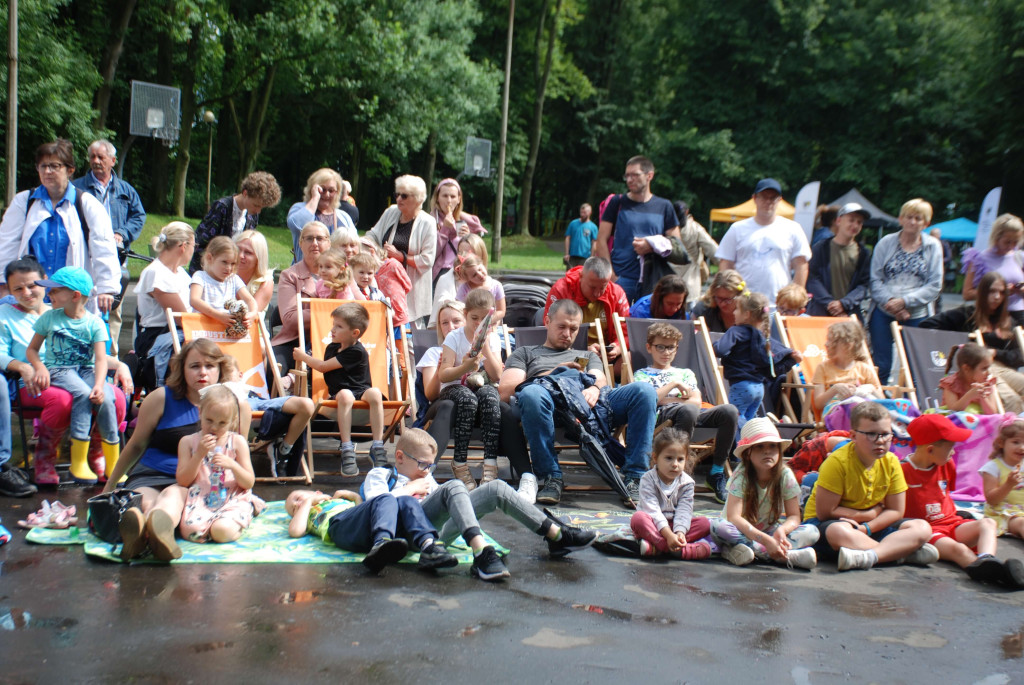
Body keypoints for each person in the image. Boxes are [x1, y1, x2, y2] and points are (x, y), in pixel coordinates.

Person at [498, 299, 658, 505]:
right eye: (561, 327)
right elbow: (506, 390)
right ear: (547, 322)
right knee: (532, 393)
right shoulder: (526, 353)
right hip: (546, 403)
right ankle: (550, 477)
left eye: (573, 329)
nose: (567, 334)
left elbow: (599, 379)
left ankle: (635, 477)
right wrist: (553, 373)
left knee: (644, 391)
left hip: (590, 406)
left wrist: (593, 388)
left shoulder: (586, 355)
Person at [0, 258, 131, 488]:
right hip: (32, 382)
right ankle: (45, 460)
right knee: (63, 399)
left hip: (76, 374)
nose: (27, 293)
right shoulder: (5, 315)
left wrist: (119, 364)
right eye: (17, 288)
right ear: (8, 290)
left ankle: (97, 455)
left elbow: (90, 354)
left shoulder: (64, 310)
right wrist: (23, 366)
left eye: (32, 285)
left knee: (116, 397)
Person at [106, 339, 239, 561]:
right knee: (147, 499)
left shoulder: (232, 404)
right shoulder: (160, 398)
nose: (202, 372)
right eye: (194, 366)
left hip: (192, 480)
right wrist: (110, 484)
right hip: (150, 472)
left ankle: (144, 536)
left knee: (172, 496)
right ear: (182, 369)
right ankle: (151, 535)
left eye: (210, 366)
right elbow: (135, 445)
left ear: (220, 369)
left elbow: (235, 451)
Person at [286, 432, 457, 574]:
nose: (296, 505)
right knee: (386, 498)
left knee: (403, 501)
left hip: (363, 529)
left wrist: (352, 497)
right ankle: (381, 543)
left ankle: (429, 546)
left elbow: (367, 510)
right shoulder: (312, 510)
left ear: (317, 492)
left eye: (298, 498)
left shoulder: (333, 501)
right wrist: (307, 503)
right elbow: (295, 531)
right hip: (338, 527)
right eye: (293, 509)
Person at [802, 402, 938, 571]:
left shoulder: (892, 462)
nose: (880, 441)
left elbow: (896, 511)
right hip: (830, 524)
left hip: (869, 527)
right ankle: (899, 554)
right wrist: (867, 514)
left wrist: (867, 528)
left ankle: (871, 556)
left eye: (885, 434)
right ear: (853, 436)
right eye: (871, 434)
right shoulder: (837, 462)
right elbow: (826, 512)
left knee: (922, 528)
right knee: (839, 531)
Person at [360, 428, 508, 580]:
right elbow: (375, 505)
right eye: (423, 464)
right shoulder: (381, 474)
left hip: (432, 531)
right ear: (400, 457)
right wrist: (409, 489)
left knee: (489, 488)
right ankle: (479, 551)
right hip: (402, 531)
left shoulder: (427, 478)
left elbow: (446, 502)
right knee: (448, 487)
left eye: (430, 466)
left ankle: (483, 547)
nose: (426, 471)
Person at [0, 139, 120, 316]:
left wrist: (107, 289)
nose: (47, 171)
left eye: (54, 166)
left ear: (70, 170)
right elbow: (7, 244)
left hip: (70, 297)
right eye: (43, 166)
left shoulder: (86, 204)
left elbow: (104, 248)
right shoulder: (24, 201)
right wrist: (4, 284)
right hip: (31, 297)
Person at [903, 414, 1024, 587]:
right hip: (928, 530)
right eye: (950, 447)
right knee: (958, 550)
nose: (953, 451)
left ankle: (987, 559)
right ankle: (997, 577)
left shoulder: (947, 463)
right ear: (930, 450)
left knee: (988, 523)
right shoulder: (902, 471)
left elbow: (944, 494)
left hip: (952, 522)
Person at [26, 267, 119, 484]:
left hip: (86, 369)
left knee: (106, 396)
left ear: (75, 295)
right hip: (59, 369)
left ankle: (113, 462)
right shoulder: (50, 318)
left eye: (55, 291)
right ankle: (78, 463)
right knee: (82, 393)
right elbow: (32, 350)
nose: (50, 296)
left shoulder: (94, 322)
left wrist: (99, 384)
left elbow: (100, 359)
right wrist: (39, 366)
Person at [632, 323, 739, 504]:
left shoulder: (686, 373)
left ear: (676, 349)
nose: (666, 352)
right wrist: (673, 385)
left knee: (729, 411)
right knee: (687, 409)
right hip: (662, 416)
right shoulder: (642, 374)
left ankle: (716, 472)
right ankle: (680, 474)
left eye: (670, 347)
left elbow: (696, 401)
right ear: (649, 348)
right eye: (660, 347)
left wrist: (667, 397)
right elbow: (650, 400)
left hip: (691, 413)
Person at [710, 418, 819, 568]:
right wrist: (766, 542)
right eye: (760, 447)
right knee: (719, 527)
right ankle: (786, 556)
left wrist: (782, 530)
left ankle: (743, 552)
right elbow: (734, 517)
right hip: (743, 531)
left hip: (769, 532)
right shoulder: (741, 475)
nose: (767, 451)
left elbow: (794, 516)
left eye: (773, 446)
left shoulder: (785, 474)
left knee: (812, 531)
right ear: (748, 453)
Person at [293, 302, 386, 474]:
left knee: (375, 392)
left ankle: (378, 446)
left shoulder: (357, 351)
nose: (332, 329)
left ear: (355, 333)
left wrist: (303, 356)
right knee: (345, 394)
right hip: (341, 396)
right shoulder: (332, 348)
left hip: (361, 394)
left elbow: (322, 367)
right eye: (333, 325)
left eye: (339, 326)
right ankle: (347, 447)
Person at [73, 139, 146, 356]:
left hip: (115, 261)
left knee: (112, 312)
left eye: (101, 157)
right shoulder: (77, 188)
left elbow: (138, 216)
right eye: (92, 157)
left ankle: (110, 358)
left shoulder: (126, 190)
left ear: (113, 161)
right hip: (84, 260)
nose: (95, 161)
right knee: (79, 307)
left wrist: (121, 233)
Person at [921, 271, 1024, 413]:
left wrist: (995, 352)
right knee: (1013, 400)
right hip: (981, 368)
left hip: (1004, 368)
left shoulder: (1008, 321)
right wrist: (963, 343)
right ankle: (1010, 433)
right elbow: (927, 325)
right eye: (992, 292)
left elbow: (1019, 356)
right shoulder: (967, 315)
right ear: (982, 293)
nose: (996, 297)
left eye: (1001, 293)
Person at [177, 385, 264, 543]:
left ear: (232, 422)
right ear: (200, 412)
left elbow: (249, 482)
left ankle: (245, 513)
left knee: (221, 531)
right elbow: (183, 481)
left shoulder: (237, 442)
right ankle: (215, 528)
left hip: (233, 497)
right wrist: (199, 455)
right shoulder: (188, 442)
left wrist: (232, 465)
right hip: (201, 499)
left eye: (222, 423)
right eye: (209, 420)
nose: (214, 427)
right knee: (191, 533)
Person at [868, 198, 943, 384]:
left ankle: (915, 405)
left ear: (926, 223)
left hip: (917, 313)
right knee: (881, 364)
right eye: (909, 217)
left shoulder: (933, 246)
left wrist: (905, 302)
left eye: (918, 218)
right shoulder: (886, 242)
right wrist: (893, 303)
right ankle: (878, 401)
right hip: (884, 309)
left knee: (915, 365)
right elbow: (875, 279)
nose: (913, 222)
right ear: (901, 219)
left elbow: (935, 285)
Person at [438, 289, 503, 490]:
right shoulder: (454, 338)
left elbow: (497, 376)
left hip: (481, 384)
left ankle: (490, 464)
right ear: (465, 313)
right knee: (468, 399)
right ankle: (459, 462)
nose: (478, 324)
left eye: (484, 319)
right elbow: (443, 375)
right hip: (454, 387)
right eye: (474, 318)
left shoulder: (492, 338)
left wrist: (484, 348)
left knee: (491, 396)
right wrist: (466, 366)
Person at [596, 155, 681, 302]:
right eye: (627, 175)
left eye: (634, 175)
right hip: (621, 278)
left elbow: (676, 244)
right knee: (615, 324)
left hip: (653, 280)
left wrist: (652, 246)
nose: (629, 180)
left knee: (649, 325)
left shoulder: (664, 206)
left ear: (649, 175)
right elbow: (601, 240)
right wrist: (612, 276)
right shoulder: (618, 202)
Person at [712, 292, 800, 432]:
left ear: (747, 314)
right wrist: (792, 361)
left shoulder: (736, 331)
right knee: (750, 424)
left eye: (737, 309)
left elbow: (720, 350)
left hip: (741, 387)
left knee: (735, 421)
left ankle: (737, 452)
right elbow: (772, 370)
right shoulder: (763, 337)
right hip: (759, 389)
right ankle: (758, 440)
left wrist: (715, 345)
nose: (734, 312)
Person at [716, 178, 811, 303]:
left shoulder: (793, 228)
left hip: (780, 303)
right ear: (754, 198)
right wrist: (726, 297)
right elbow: (726, 264)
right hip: (743, 301)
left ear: (780, 200)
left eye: (773, 198)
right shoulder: (737, 229)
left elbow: (801, 265)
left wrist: (796, 299)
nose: (768, 201)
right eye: (764, 197)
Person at [630, 428, 713, 560]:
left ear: (686, 459)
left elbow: (684, 510)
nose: (675, 464)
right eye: (669, 458)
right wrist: (668, 536)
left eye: (680, 459)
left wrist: (679, 532)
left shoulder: (687, 483)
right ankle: (678, 549)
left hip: (675, 525)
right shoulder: (648, 479)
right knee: (638, 519)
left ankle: (659, 547)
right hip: (654, 525)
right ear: (656, 458)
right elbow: (652, 511)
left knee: (705, 523)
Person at [367, 175, 437, 325]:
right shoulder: (391, 212)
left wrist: (400, 256)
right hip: (384, 285)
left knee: (409, 338)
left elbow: (427, 260)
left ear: (418, 199)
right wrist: (373, 250)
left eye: (404, 196)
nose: (399, 199)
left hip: (411, 292)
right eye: (397, 194)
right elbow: (372, 235)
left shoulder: (428, 222)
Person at [134, 223, 195, 386]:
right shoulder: (156, 273)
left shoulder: (181, 272)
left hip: (180, 333)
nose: (193, 251)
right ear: (183, 246)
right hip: (159, 337)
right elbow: (182, 318)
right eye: (194, 246)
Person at [191, 171, 281, 273]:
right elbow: (201, 243)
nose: (258, 211)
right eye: (256, 205)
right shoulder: (222, 207)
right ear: (245, 193)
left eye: (262, 207)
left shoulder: (252, 215)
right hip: (208, 271)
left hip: (231, 272)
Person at [544, 257, 630, 363]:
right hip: (568, 355)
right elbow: (551, 332)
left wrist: (616, 348)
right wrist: (583, 351)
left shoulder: (617, 293)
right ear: (581, 276)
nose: (597, 294)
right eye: (592, 287)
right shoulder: (561, 290)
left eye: (602, 287)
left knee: (632, 358)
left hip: (606, 358)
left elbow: (626, 332)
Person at [271, 221, 328, 372]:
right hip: (295, 341)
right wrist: (329, 311)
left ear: (329, 243)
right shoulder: (289, 276)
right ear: (301, 244)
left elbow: (358, 305)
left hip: (333, 340)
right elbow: (290, 319)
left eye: (320, 238)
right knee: (274, 370)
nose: (314, 243)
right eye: (309, 238)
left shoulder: (343, 273)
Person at [806, 203, 872, 318]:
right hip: (820, 312)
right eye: (851, 220)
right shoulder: (820, 248)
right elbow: (812, 279)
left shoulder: (863, 253)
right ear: (838, 221)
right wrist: (830, 304)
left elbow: (863, 285)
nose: (855, 225)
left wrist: (844, 304)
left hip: (849, 313)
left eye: (859, 222)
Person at [960, 213, 1024, 324]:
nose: (1011, 246)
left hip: (1019, 314)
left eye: (1015, 242)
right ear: (996, 236)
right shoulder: (978, 259)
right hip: (992, 317)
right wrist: (999, 292)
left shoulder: (1020, 257)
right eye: (1007, 241)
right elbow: (967, 294)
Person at [811, 321, 882, 417]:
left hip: (863, 416)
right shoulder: (823, 368)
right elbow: (818, 404)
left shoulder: (864, 369)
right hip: (834, 415)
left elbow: (881, 400)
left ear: (848, 345)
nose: (826, 344)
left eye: (831, 340)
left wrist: (870, 388)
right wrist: (835, 389)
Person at [189, 236, 259, 332]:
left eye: (233, 264)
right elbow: (194, 300)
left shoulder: (233, 279)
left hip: (226, 331)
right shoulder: (200, 276)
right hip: (204, 330)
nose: (229, 268)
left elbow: (250, 300)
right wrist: (218, 316)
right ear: (210, 258)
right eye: (224, 262)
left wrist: (252, 314)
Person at [287, 168, 357, 264]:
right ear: (313, 189)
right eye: (322, 190)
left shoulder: (344, 217)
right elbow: (297, 226)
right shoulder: (300, 208)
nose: (327, 194)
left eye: (331, 190)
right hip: (303, 275)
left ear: (337, 193)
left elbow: (355, 246)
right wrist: (315, 198)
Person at [430, 178, 486, 286]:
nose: (449, 201)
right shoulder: (430, 220)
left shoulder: (468, 221)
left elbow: (479, 255)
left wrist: (468, 239)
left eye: (453, 196)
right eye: (445, 196)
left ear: (459, 199)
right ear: (437, 198)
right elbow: (431, 253)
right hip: (441, 272)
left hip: (465, 272)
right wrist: (444, 229)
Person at [980, 420, 1024, 542]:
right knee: (1021, 523)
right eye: (1016, 442)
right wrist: (1009, 484)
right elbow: (992, 499)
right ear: (1001, 443)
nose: (1022, 448)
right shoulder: (993, 467)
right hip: (1005, 512)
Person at [430, 234, 487, 328]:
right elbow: (441, 306)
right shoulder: (446, 279)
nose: (465, 258)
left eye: (470, 253)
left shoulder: (488, 281)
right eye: (461, 253)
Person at [672, 200, 718, 309]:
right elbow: (714, 251)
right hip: (690, 284)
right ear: (687, 211)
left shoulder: (665, 228)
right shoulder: (695, 228)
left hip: (669, 281)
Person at [939, 343, 999, 414]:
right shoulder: (951, 384)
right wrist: (970, 395)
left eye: (989, 367)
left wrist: (983, 397)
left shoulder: (987, 384)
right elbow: (953, 411)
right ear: (966, 368)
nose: (988, 373)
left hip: (979, 422)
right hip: (955, 422)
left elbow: (992, 413)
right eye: (984, 369)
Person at [453, 254, 506, 322]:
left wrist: (486, 322)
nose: (480, 275)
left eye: (480, 269)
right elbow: (458, 311)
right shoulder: (464, 289)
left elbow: (501, 311)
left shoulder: (496, 285)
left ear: (482, 264)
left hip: (492, 325)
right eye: (474, 275)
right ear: (468, 279)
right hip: (471, 326)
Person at [690, 269, 745, 333]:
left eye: (728, 300)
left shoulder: (750, 313)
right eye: (719, 298)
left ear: (740, 296)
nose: (722, 304)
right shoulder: (703, 310)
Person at [233, 230, 274, 314]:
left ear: (258, 258)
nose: (241, 255)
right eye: (238, 249)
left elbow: (249, 315)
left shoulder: (265, 282)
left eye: (248, 252)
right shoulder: (223, 274)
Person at [564, 203, 598, 269]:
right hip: (572, 256)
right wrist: (566, 253)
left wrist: (591, 257)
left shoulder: (593, 227)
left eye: (584, 212)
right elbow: (567, 238)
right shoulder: (573, 223)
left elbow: (594, 243)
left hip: (585, 257)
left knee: (582, 277)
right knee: (570, 276)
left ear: (590, 212)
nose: (582, 214)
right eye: (581, 212)